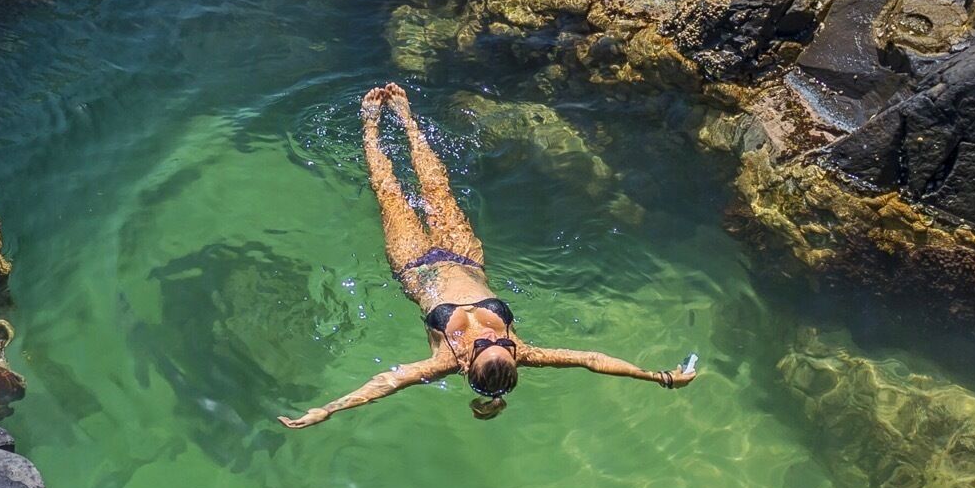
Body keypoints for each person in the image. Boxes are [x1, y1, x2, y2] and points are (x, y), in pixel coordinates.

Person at [280, 83, 698, 427]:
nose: (493, 335)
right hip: (464, 256)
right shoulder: (522, 350)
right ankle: (407, 119)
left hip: (414, 265)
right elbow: (591, 359)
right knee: (437, 187)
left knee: (389, 192)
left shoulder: (443, 360)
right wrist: (656, 376)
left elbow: (386, 382)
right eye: (501, 341)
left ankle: (370, 125)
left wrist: (329, 409)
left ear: (466, 362)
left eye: (488, 342)